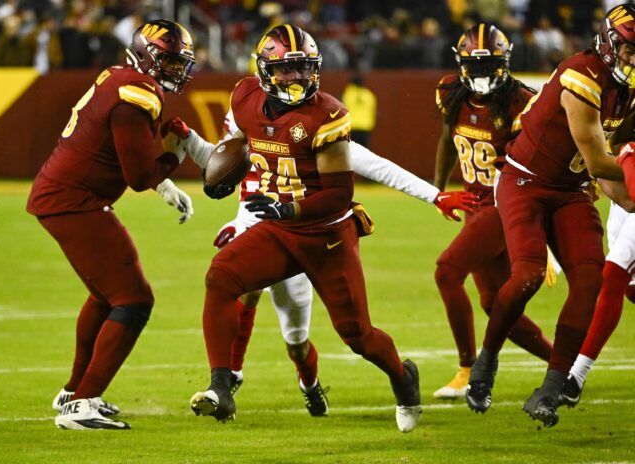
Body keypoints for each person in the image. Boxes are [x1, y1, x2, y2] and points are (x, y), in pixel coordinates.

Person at [187, 24, 457, 433]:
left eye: (303, 69)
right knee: (220, 277)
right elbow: (242, 146)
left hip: (325, 233)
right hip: (278, 226)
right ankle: (222, 387)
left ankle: (404, 377)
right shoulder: (244, 98)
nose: (296, 78)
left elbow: (336, 196)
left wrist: (284, 207)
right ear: (264, 71)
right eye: (285, 70)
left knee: (358, 335)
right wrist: (226, 185)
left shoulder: (326, 115)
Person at [163, 103, 475, 417]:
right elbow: (222, 162)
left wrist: (434, 194)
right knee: (225, 278)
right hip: (269, 228)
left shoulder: (317, 124)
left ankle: (327, 383)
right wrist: (191, 143)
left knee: (335, 337)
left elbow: (371, 165)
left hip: (318, 233)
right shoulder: (252, 121)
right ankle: (226, 381)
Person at [466, 5, 635, 427]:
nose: (634, 59)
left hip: (571, 188)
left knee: (590, 280)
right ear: (610, 42)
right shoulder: (583, 74)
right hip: (526, 181)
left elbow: (616, 184)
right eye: (630, 49)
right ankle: (486, 359)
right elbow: (599, 160)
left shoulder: (625, 87)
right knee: (527, 274)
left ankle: (553, 384)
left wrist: (632, 198)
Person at [26, 19, 196, 430]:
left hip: (71, 195)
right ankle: (82, 402)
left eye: (181, 63)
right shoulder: (134, 93)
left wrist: (165, 182)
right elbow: (138, 175)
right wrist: (174, 157)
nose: (178, 71)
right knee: (134, 300)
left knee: (106, 296)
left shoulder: (122, 77)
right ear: (147, 55)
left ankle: (74, 391)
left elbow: (127, 153)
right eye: (171, 62)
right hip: (74, 200)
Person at [432, 24, 553, 400]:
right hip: (473, 204)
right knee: (493, 302)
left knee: (447, 271)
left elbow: (541, 169)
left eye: (489, 66)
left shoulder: (521, 102)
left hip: (504, 207)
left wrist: (541, 233)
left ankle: (468, 368)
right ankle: (561, 364)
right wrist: (438, 188)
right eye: (475, 66)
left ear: (505, 63)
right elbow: (447, 139)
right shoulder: (451, 91)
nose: (482, 75)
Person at [562, 118, 635, 406]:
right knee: (629, 290)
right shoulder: (615, 99)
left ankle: (576, 376)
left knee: (614, 274)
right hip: (624, 199)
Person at [341, 74, 377, 148]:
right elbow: (372, 111)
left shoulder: (347, 94)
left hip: (351, 127)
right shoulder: (369, 95)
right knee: (363, 150)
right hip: (365, 127)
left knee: (352, 150)